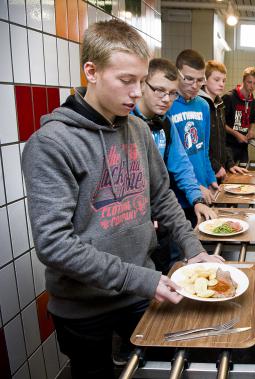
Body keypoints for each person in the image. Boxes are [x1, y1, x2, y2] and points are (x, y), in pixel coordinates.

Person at [21, 20, 223, 378]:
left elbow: (162, 198)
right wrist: (143, 279)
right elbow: (53, 245)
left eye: (140, 81)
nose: (136, 92)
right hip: (84, 307)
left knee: (150, 369)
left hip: (138, 293)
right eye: (125, 80)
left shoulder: (138, 130)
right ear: (92, 71)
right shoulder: (52, 143)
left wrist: (194, 250)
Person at [133, 58, 217, 273]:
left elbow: (181, 165)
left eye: (172, 93)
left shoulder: (164, 124)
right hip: (136, 222)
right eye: (159, 90)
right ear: (143, 84)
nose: (166, 99)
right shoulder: (129, 123)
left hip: (160, 216)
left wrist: (196, 199)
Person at [168, 49, 218, 225]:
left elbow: (203, 149)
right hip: (177, 194)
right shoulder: (166, 105)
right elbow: (170, 160)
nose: (195, 85)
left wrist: (211, 178)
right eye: (189, 79)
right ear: (177, 73)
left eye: (200, 80)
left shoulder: (203, 105)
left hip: (202, 190)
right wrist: (195, 185)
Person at [199, 60, 249, 181]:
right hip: (206, 172)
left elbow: (222, 140)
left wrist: (230, 163)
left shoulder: (220, 105)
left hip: (219, 171)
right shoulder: (199, 105)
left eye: (223, 80)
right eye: (216, 80)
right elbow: (200, 146)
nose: (221, 84)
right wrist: (216, 167)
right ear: (205, 80)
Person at [223, 66, 255, 163]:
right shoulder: (229, 98)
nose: (252, 86)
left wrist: (251, 130)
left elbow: (252, 120)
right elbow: (220, 123)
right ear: (243, 81)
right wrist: (236, 134)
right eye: (249, 82)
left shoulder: (252, 101)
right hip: (228, 146)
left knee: (244, 173)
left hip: (243, 146)